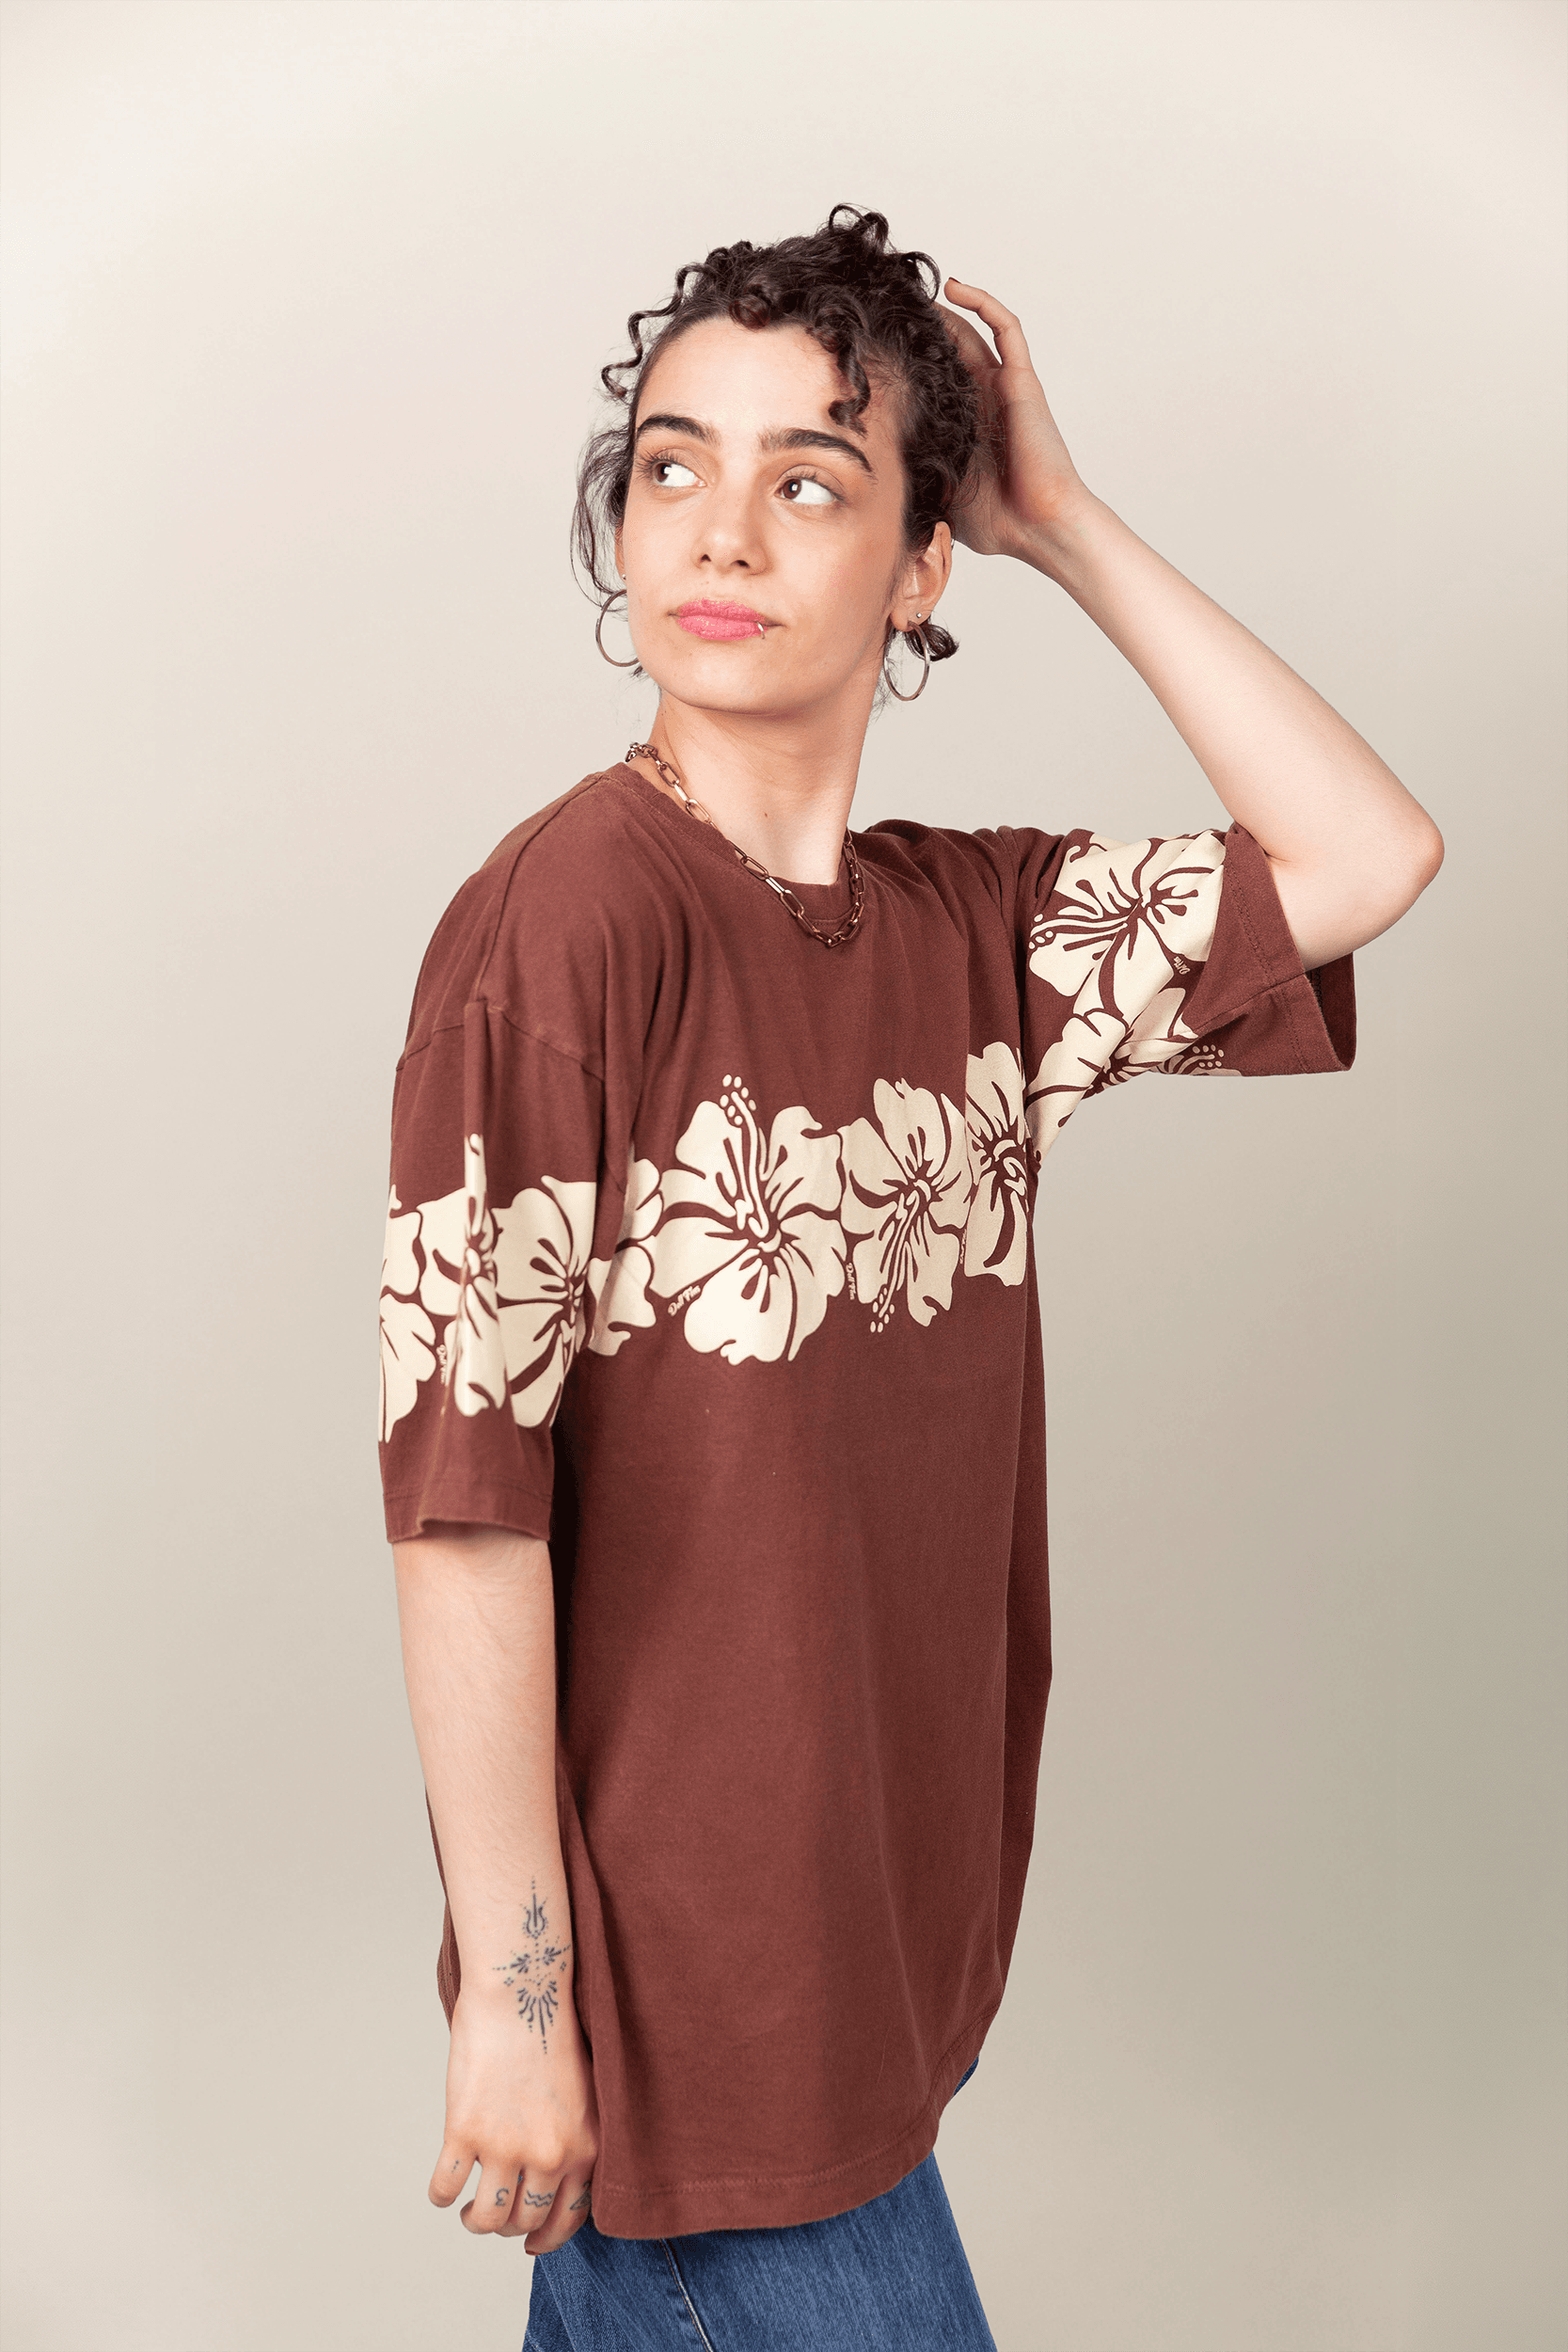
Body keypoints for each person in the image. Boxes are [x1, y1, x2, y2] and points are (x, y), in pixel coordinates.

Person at [379, 203, 1442, 2349]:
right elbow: (467, 1502)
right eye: (671, 463)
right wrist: (519, 1996)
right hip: (697, 2010)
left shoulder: (978, 940)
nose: (719, 529)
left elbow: (1360, 856)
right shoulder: (567, 924)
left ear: (917, 563)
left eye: (810, 482)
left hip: (870, 1963)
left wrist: (1064, 524)